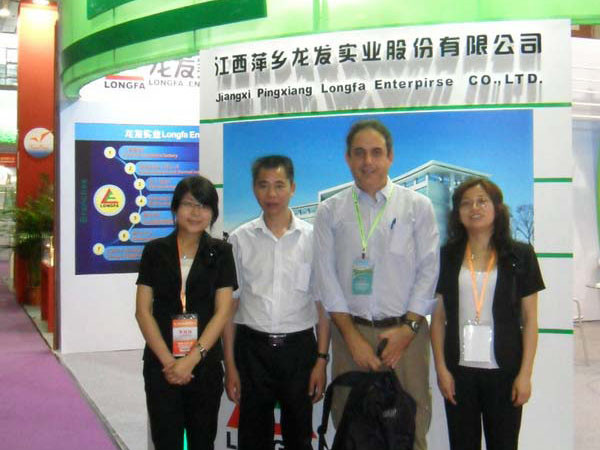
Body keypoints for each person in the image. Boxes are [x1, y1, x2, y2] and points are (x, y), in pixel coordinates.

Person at [313, 119, 439, 450]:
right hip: (349, 335)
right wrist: (351, 337)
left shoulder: (417, 206)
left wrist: (408, 329)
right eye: (359, 153)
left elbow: (428, 271)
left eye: (376, 152)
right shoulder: (330, 211)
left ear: (390, 157)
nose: (367, 161)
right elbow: (326, 277)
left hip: (405, 336)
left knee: (409, 425)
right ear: (348, 158)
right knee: (351, 426)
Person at [223, 155, 330, 450]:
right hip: (252, 351)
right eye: (263, 185)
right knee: (252, 439)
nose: (271, 194)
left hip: (299, 351)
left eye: (279, 185)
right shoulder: (239, 240)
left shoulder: (313, 239)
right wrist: (230, 365)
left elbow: (322, 307)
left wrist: (321, 361)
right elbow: (230, 309)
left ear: (292, 188)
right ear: (254, 189)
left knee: (299, 437)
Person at [431, 177, 545, 450]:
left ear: (497, 208)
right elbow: (438, 318)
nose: (474, 208)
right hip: (459, 373)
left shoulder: (521, 255)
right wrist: (441, 369)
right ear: (457, 212)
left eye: (482, 201)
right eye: (466, 203)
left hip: (505, 372)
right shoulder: (446, 256)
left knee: (504, 444)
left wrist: (525, 374)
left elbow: (530, 320)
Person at [135, 175, 237, 450]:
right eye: (189, 204)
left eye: (204, 206)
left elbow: (223, 311)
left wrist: (191, 360)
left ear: (213, 213)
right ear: (175, 208)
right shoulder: (155, 251)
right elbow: (143, 311)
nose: (195, 212)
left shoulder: (221, 252)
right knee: (165, 440)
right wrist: (170, 362)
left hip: (204, 365)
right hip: (161, 364)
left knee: (202, 441)